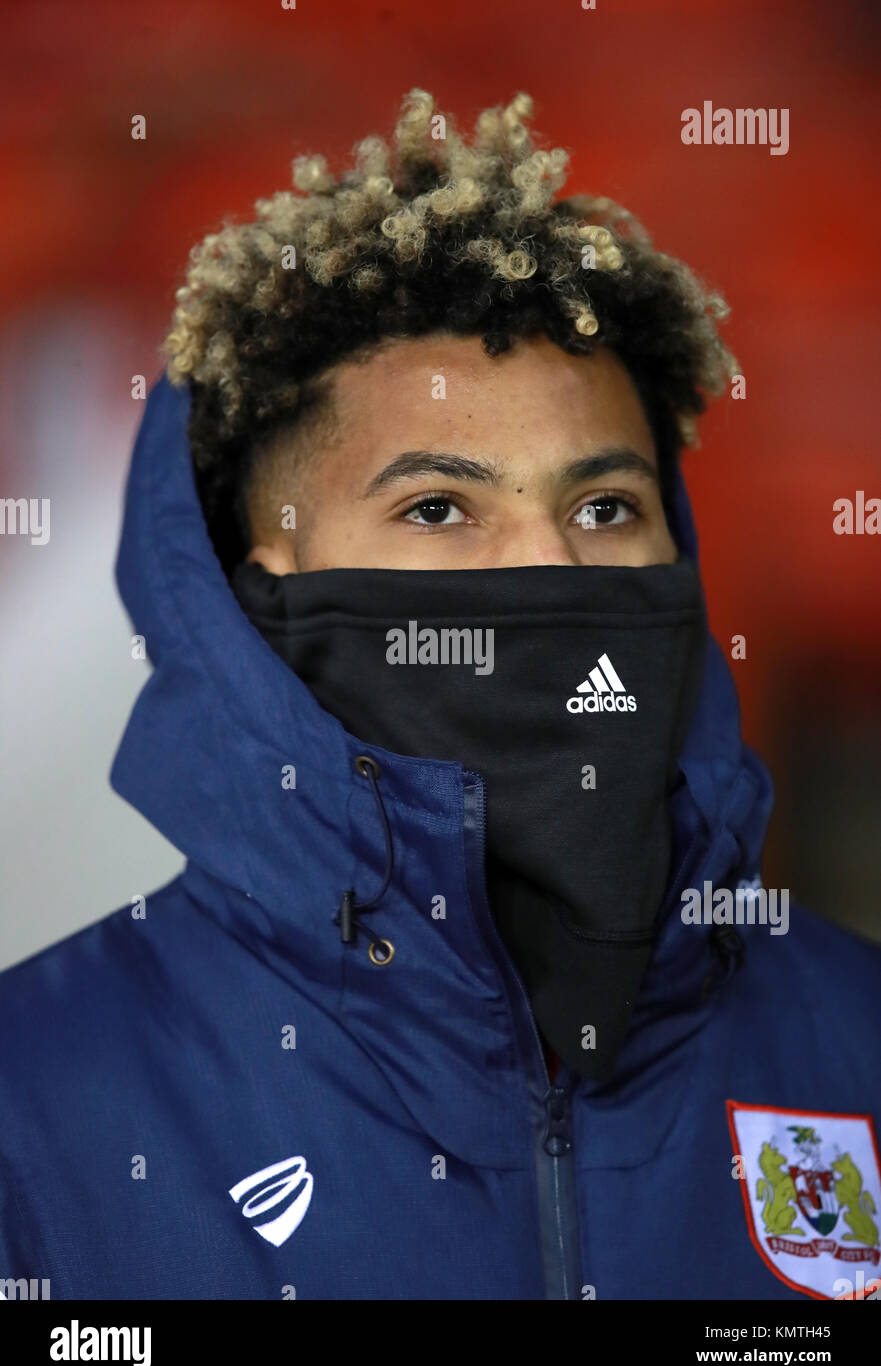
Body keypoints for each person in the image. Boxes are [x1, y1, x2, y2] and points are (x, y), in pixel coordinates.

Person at [1, 89, 879, 1303]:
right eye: (436, 509)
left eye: (602, 508)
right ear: (260, 577)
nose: (547, 569)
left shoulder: (859, 1040)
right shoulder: (32, 1101)